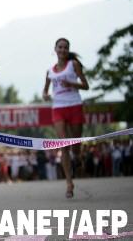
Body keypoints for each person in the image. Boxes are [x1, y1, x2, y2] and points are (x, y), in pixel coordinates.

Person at [43, 37, 89, 198]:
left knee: (75, 144)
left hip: (75, 105)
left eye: (65, 47)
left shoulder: (73, 65)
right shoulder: (50, 71)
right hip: (58, 108)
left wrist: (72, 84)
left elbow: (86, 85)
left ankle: (78, 156)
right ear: (55, 49)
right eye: (60, 47)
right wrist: (46, 96)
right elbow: (45, 92)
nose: (62, 50)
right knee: (64, 145)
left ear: (68, 50)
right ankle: (69, 183)